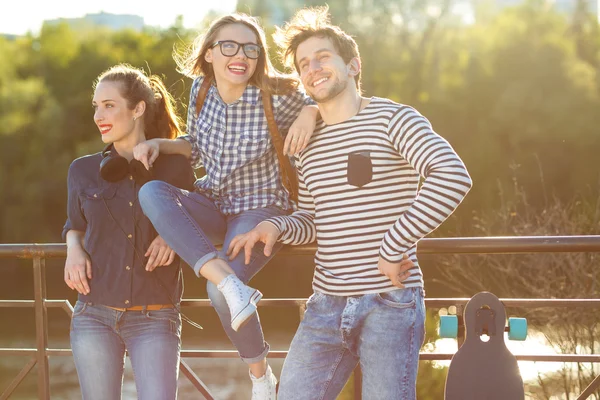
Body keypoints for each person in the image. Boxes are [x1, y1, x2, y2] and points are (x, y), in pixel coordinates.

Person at [227, 6, 473, 400]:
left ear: (353, 64)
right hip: (325, 304)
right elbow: (311, 218)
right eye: (304, 64)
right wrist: (277, 226)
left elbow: (453, 176)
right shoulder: (305, 144)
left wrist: (393, 246)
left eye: (322, 57)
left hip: (389, 303)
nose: (313, 68)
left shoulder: (394, 119)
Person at [133, 13, 318, 399]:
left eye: (251, 48)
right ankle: (231, 283)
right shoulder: (201, 90)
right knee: (151, 192)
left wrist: (310, 112)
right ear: (210, 54)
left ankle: (259, 377)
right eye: (229, 46)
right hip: (214, 202)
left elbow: (323, 99)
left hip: (259, 209)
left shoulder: (276, 94)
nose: (241, 55)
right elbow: (195, 148)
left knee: (219, 293)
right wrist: (161, 145)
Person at [63, 63, 196, 400]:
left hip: (155, 317)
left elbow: (201, 218)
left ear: (138, 109)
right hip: (93, 314)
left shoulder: (175, 168)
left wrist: (172, 235)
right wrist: (73, 249)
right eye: (96, 106)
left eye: (109, 105)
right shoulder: (83, 170)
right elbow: (74, 225)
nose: (98, 115)